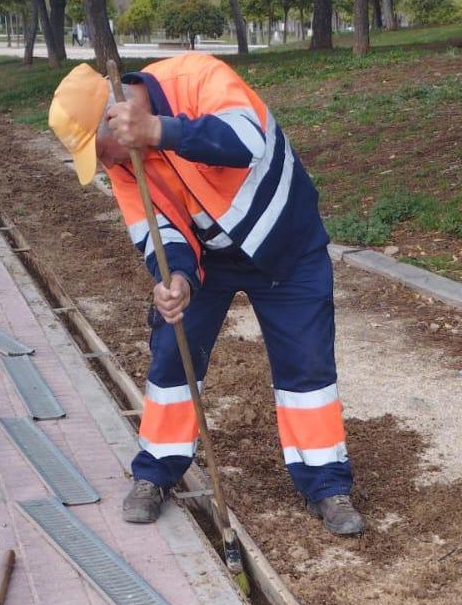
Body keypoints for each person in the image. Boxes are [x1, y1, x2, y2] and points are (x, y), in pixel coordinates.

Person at [48, 55, 366, 536]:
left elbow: (246, 140)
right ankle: (156, 470)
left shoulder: (196, 78)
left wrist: (159, 131)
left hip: (285, 244)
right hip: (208, 259)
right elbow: (152, 227)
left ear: (116, 115)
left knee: (307, 365)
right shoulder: (123, 163)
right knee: (174, 352)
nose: (104, 165)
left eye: (100, 150)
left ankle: (326, 484)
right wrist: (176, 277)